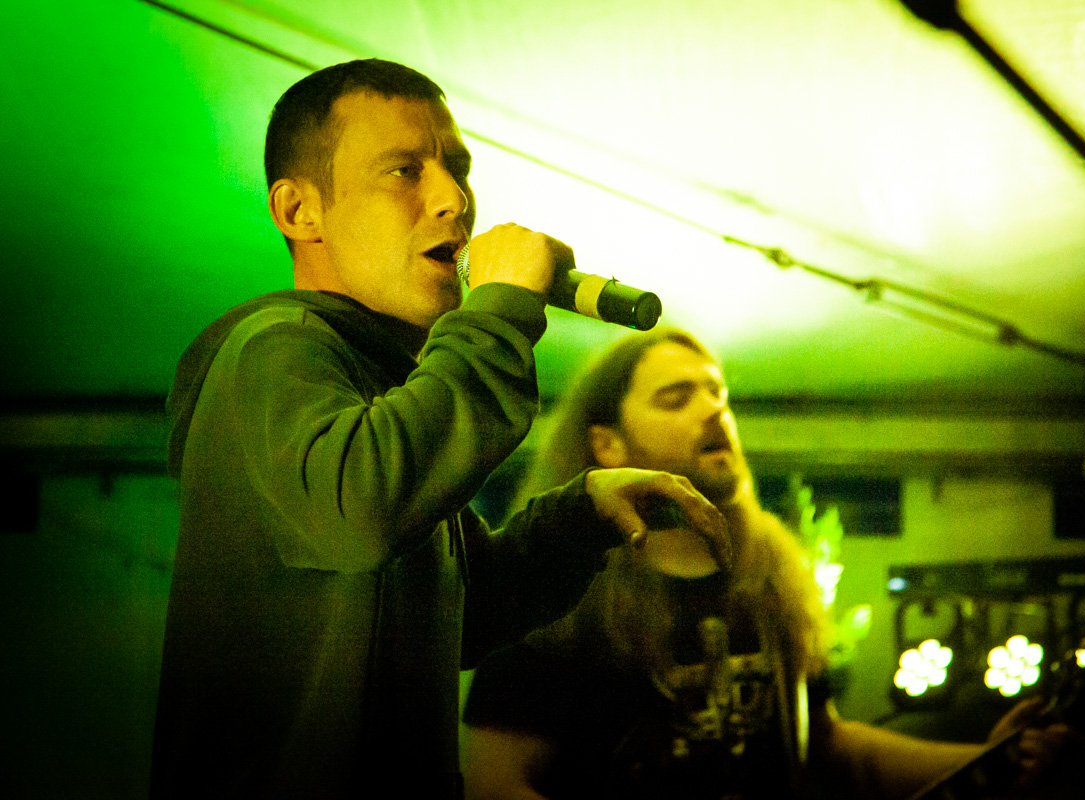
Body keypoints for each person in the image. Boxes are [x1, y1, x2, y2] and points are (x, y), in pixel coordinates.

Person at [150, 59, 728, 799]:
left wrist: (579, 518)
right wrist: (498, 313)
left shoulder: (386, 388)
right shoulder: (273, 351)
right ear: (300, 211)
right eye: (404, 171)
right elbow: (363, 508)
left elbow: (456, 614)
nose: (454, 198)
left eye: (458, 170)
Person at [461, 328, 1071, 799]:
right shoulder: (556, 592)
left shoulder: (768, 572)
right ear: (607, 444)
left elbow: (826, 745)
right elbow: (493, 783)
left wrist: (984, 759)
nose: (713, 410)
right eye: (676, 399)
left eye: (717, 393)